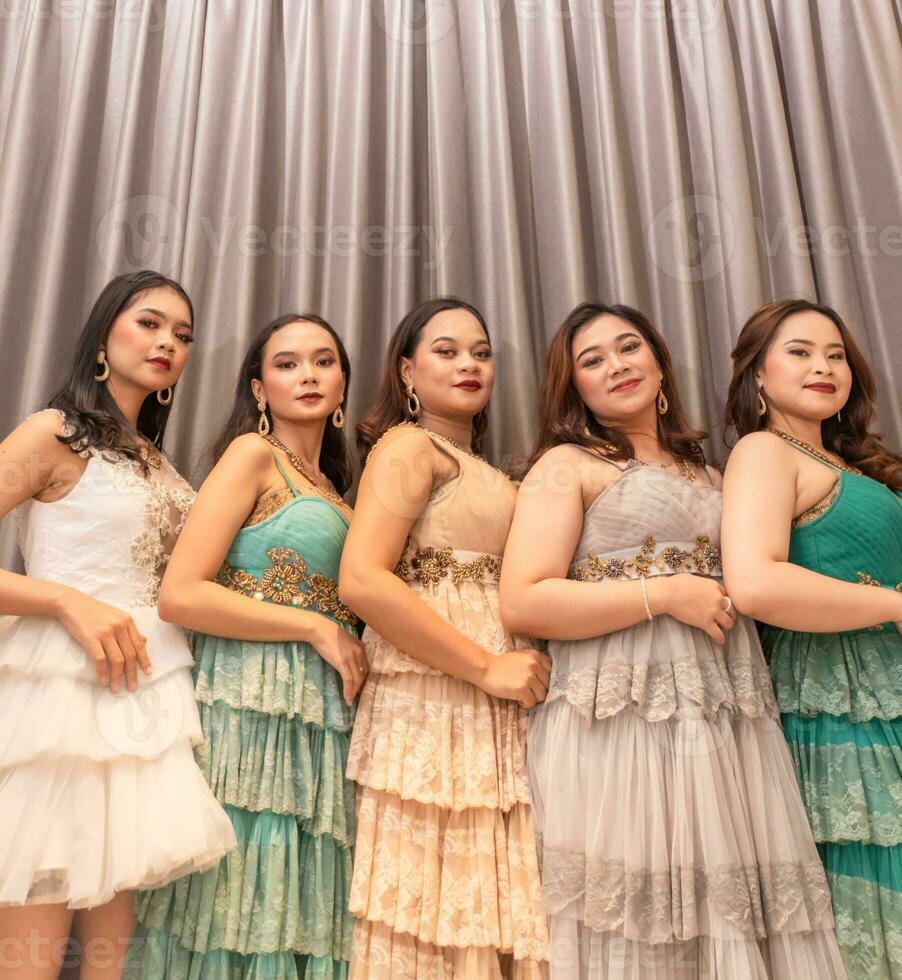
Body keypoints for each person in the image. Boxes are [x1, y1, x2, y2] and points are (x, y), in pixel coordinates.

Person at [501, 302, 845, 978]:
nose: (616, 365)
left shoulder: (714, 473)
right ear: (574, 387)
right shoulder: (567, 467)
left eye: (629, 348)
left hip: (723, 719)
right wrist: (662, 595)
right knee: (636, 916)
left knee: (726, 908)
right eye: (592, 360)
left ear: (660, 363)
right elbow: (524, 600)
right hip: (616, 727)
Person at [0, 270, 236, 980]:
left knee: (114, 957)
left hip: (142, 701)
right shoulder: (53, 432)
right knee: (34, 947)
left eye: (184, 335)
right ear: (104, 335)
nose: (168, 342)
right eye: (149, 323)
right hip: (57, 700)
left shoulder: (158, 461)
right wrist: (64, 601)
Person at [340, 297, 551, 978]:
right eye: (447, 349)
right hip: (437, 696)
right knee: (432, 898)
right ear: (406, 370)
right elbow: (365, 581)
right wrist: (486, 667)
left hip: (492, 704)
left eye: (482, 352)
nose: (469, 363)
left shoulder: (481, 464)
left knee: (484, 900)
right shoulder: (409, 446)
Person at [721, 298, 902, 979]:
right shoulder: (765, 450)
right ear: (758, 378)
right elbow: (755, 583)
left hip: (884, 682)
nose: (823, 366)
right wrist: (892, 606)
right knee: (874, 875)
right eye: (799, 351)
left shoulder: (848, 461)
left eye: (836, 355)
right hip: (839, 695)